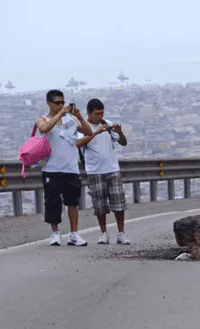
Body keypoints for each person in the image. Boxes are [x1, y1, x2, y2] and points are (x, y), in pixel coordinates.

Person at [36, 90, 93, 246]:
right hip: (51, 168)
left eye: (63, 102)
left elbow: (89, 132)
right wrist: (60, 113)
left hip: (71, 168)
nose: (61, 105)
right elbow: (43, 129)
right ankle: (55, 233)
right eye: (57, 103)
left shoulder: (71, 120)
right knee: (52, 203)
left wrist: (79, 116)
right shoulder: (43, 119)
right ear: (49, 103)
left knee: (73, 203)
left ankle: (74, 234)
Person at [76, 99, 131, 245]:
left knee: (119, 203)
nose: (100, 117)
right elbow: (79, 144)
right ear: (89, 113)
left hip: (112, 168)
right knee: (99, 204)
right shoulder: (83, 127)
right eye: (97, 114)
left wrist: (119, 132)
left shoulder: (107, 123)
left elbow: (123, 142)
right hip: (94, 170)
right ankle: (103, 233)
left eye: (102, 113)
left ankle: (121, 233)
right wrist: (95, 132)